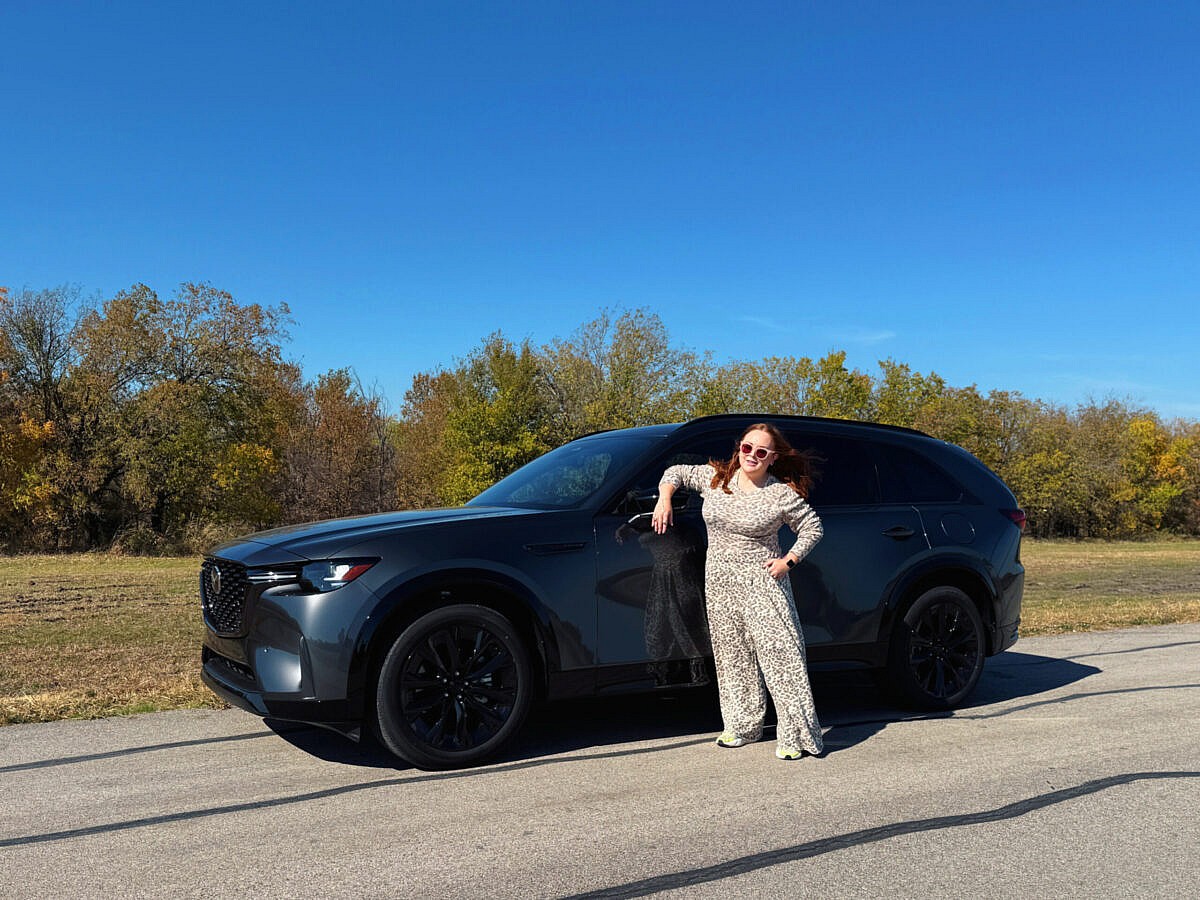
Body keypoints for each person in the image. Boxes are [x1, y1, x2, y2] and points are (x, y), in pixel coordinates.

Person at [653, 422, 825, 759]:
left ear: (773, 458)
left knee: (782, 657)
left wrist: (788, 561)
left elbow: (812, 527)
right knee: (732, 656)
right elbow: (675, 472)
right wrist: (665, 498)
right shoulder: (717, 479)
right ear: (739, 448)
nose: (752, 456)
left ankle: (796, 736)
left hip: (762, 582)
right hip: (720, 583)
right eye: (747, 448)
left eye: (761, 451)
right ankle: (742, 725)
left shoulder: (779, 494)